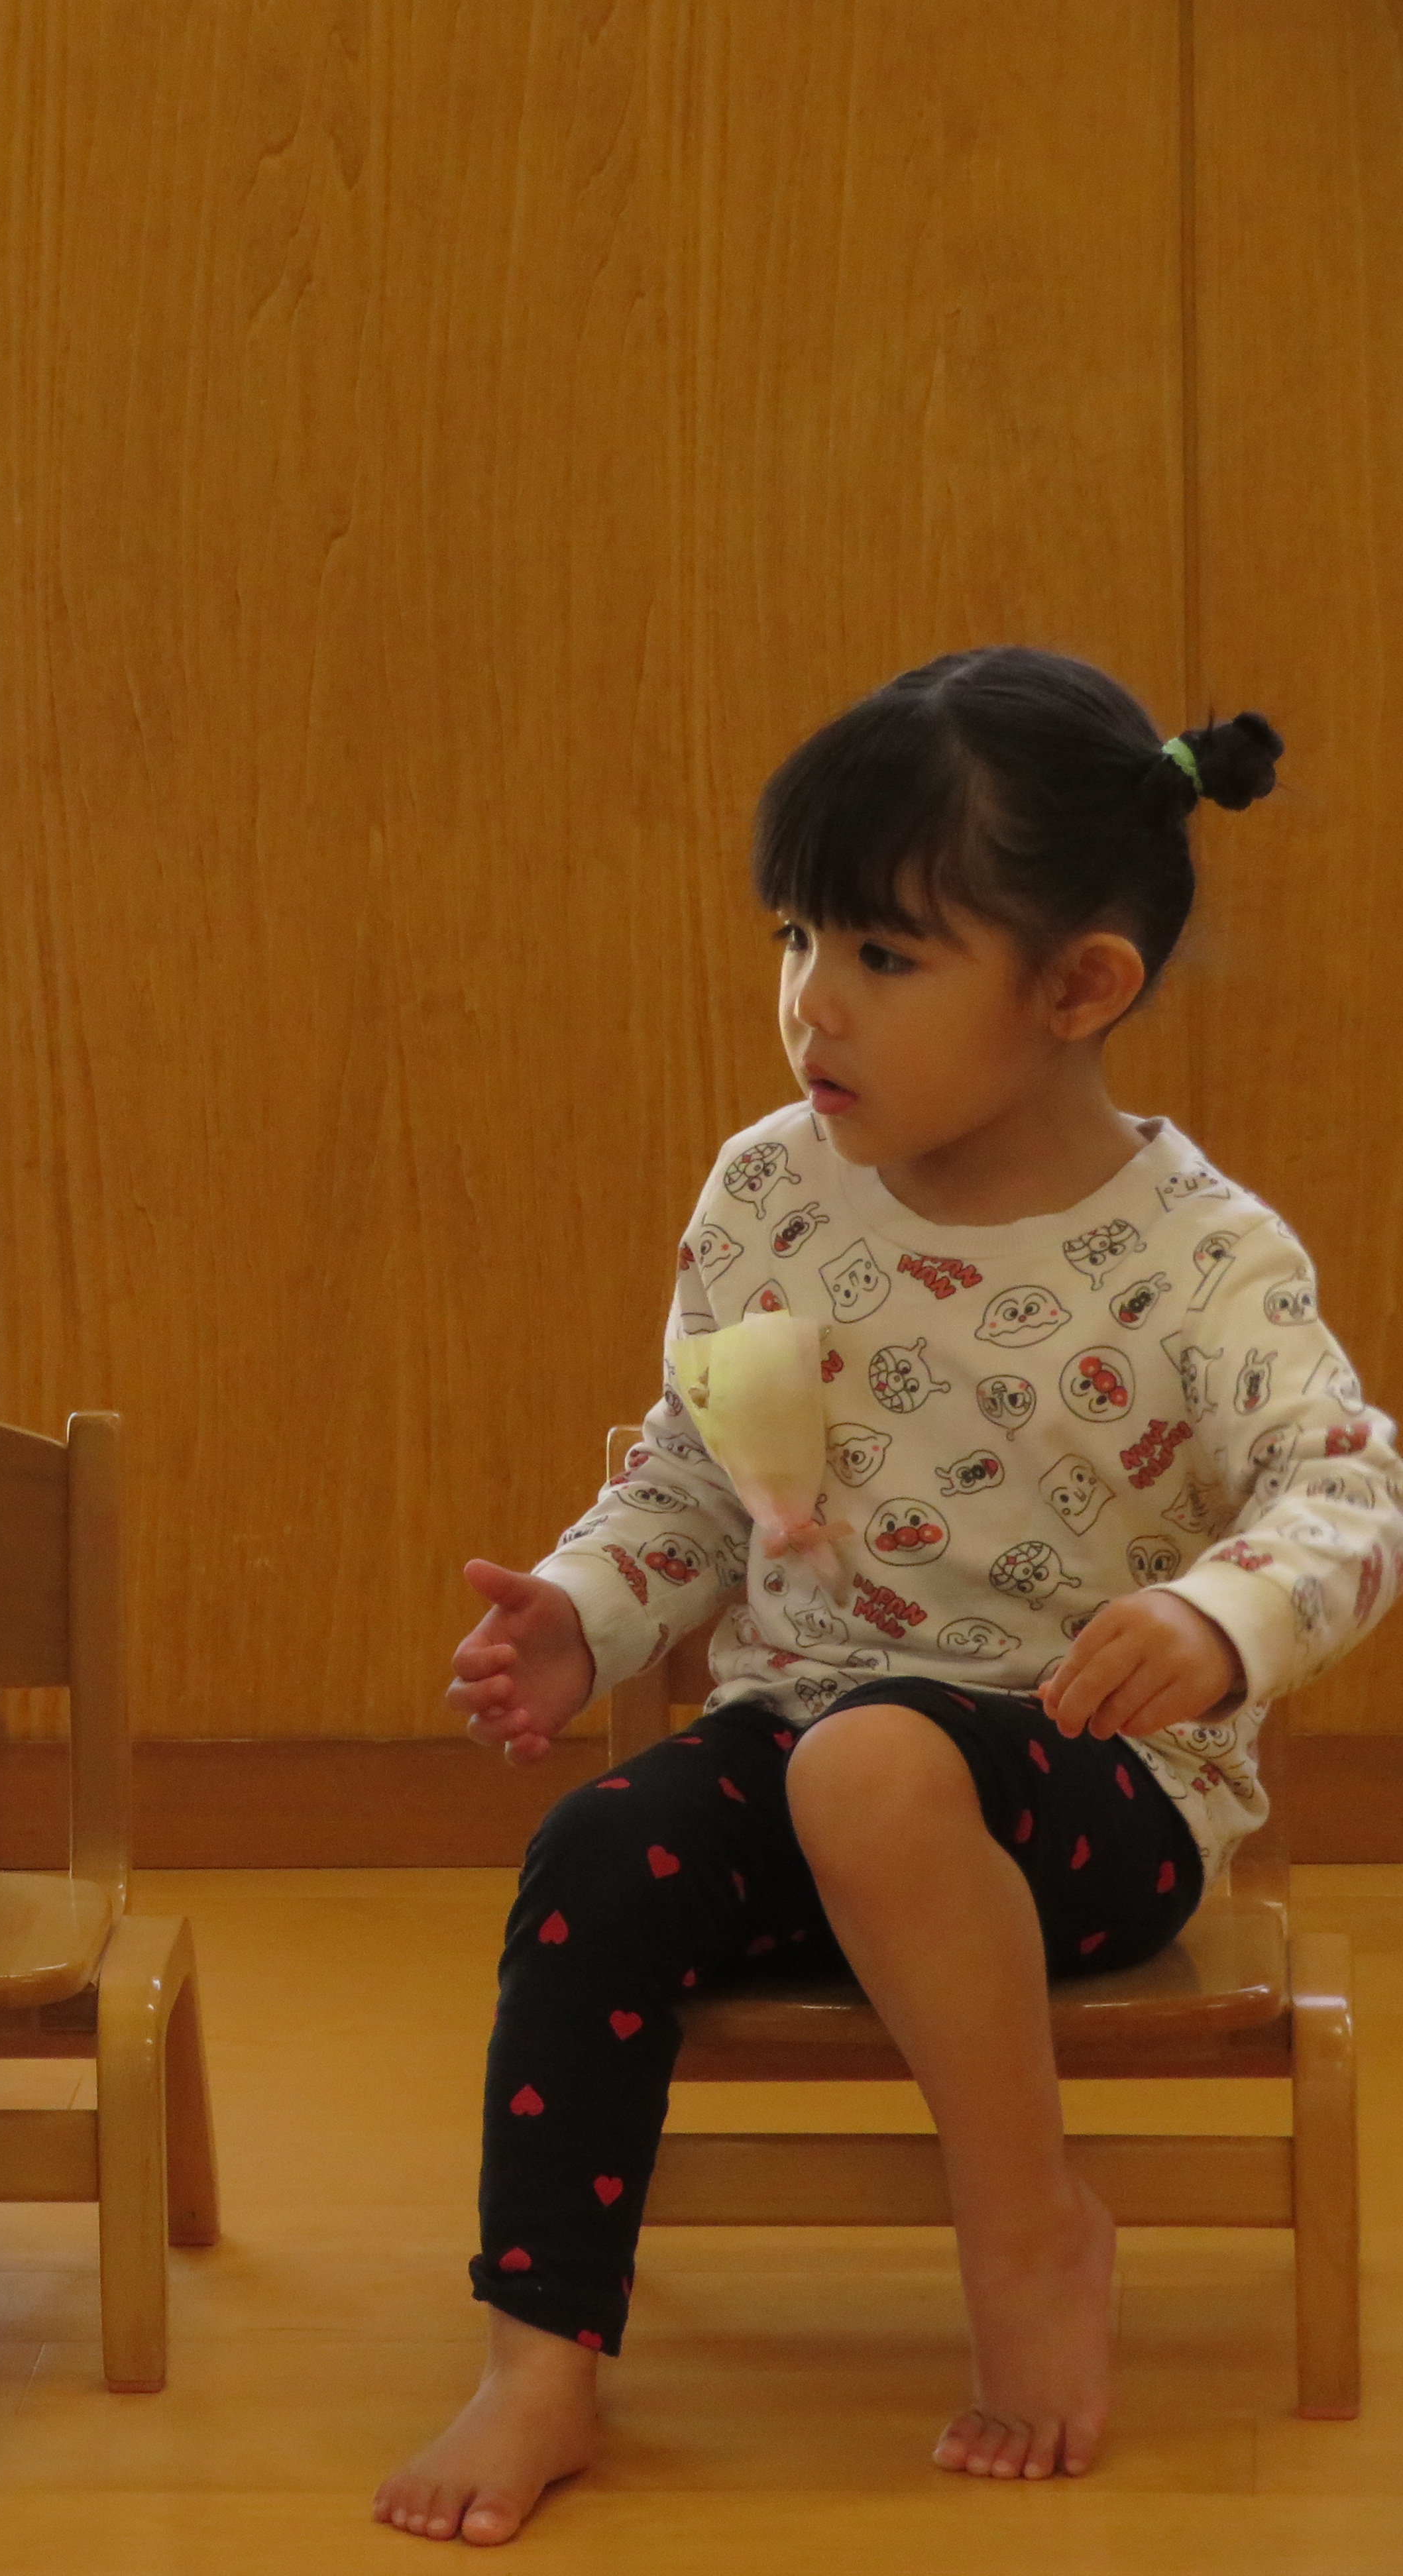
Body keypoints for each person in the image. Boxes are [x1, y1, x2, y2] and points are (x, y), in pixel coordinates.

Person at [375, 649, 1403, 2544]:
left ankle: (1032, 2240)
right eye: (795, 938)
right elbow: (703, 1471)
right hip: (807, 1733)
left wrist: (1218, 1620)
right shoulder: (772, 1191)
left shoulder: (1204, 1255)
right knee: (599, 1856)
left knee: (874, 1764)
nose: (810, 1004)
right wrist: (586, 1614)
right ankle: (539, 2359)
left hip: (1089, 1789)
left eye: (884, 955)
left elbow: (1351, 1488)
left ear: (1080, 988)